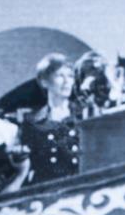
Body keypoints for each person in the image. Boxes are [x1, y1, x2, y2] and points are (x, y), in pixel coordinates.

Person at [20, 54, 82, 186]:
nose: (67, 82)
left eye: (70, 76)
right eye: (60, 76)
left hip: (80, 185)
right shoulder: (32, 122)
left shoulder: (83, 114)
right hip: (47, 190)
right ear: (44, 81)